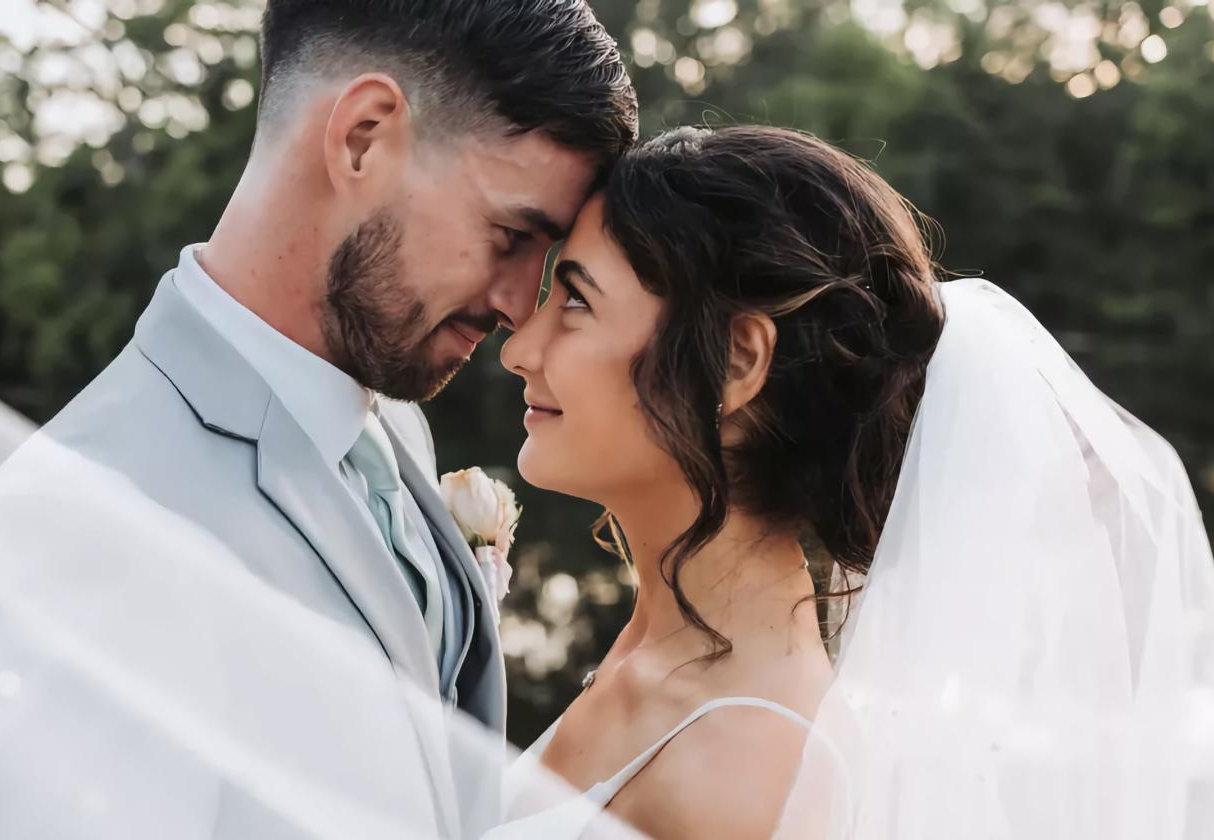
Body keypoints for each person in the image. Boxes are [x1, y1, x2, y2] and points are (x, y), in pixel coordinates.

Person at [0, 3, 637, 839]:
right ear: (363, 137)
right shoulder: (82, 533)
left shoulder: (393, 434)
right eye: (510, 235)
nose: (518, 305)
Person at [491, 125, 1214, 840]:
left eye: (577, 302)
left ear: (737, 362)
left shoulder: (743, 769)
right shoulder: (656, 657)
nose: (520, 348)